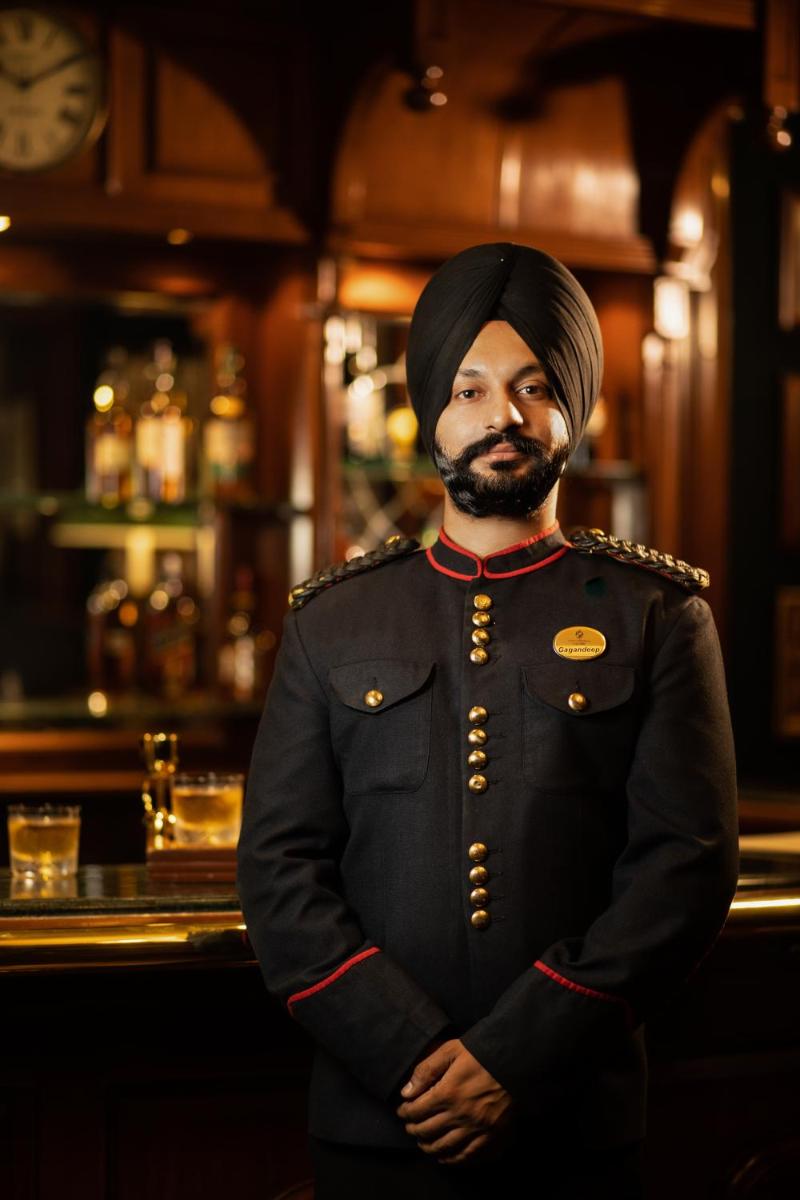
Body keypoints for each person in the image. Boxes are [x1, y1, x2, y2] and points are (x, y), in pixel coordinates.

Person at [236, 242, 740, 1199]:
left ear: (571, 410)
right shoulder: (331, 619)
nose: (500, 417)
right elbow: (277, 869)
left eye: (533, 386)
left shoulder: (660, 615)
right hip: (376, 1123)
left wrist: (518, 1058)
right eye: (466, 389)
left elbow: (685, 864)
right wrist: (414, 1060)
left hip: (573, 1121)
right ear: (430, 409)